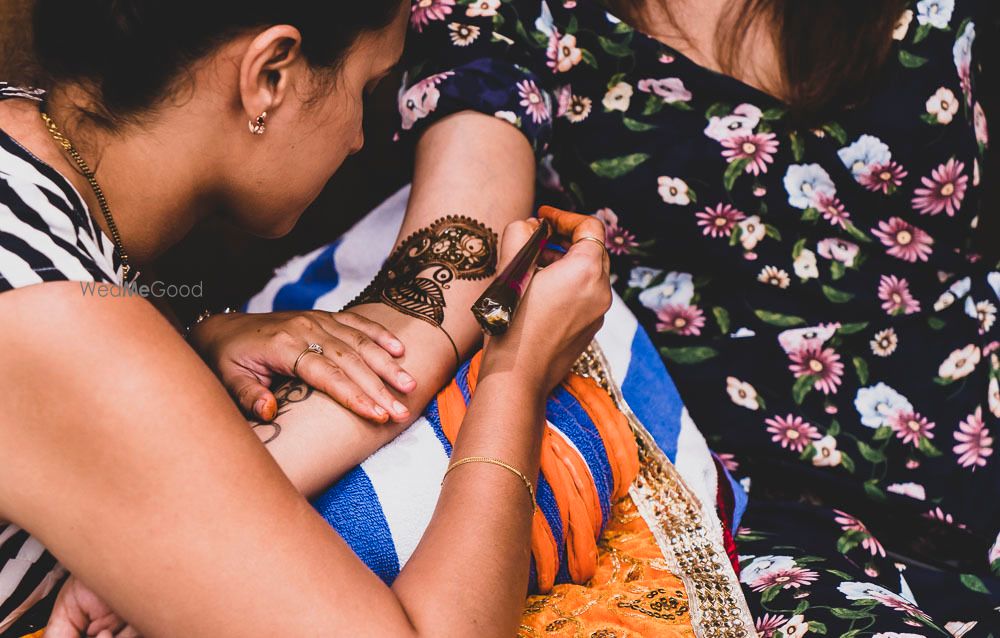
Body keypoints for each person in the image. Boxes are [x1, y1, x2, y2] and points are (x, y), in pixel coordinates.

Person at [0, 0, 614, 635]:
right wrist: (515, 371)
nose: (359, 137)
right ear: (270, 76)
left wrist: (192, 331)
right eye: (368, 87)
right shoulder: (62, 328)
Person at [395, 0, 1000, 633]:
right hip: (760, 514)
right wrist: (278, 472)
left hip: (976, 422)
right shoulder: (513, 14)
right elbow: (436, 284)